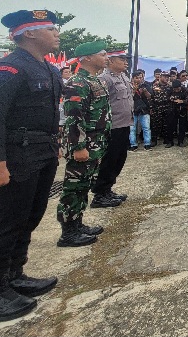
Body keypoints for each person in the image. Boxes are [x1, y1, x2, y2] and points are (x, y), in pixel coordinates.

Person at [0, 10, 62, 321]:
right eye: (50, 29)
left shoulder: (47, 69)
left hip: (41, 152)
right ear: (30, 33)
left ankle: (14, 275)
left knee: (29, 217)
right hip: (14, 157)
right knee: (6, 224)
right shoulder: (7, 69)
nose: (56, 33)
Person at [57, 41, 111, 247]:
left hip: (95, 143)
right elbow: (74, 118)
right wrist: (79, 147)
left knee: (84, 185)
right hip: (83, 144)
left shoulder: (95, 81)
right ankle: (68, 231)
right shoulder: (77, 83)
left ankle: (78, 223)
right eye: (102, 54)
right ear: (87, 58)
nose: (106, 58)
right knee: (74, 187)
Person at [91, 50, 132, 208]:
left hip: (124, 123)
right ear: (111, 61)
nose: (125, 62)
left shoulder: (123, 76)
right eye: (121, 59)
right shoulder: (104, 79)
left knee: (119, 158)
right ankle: (100, 194)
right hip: (112, 126)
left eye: (125, 59)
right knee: (109, 159)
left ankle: (107, 189)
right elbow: (99, 104)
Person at [129, 71, 152, 151]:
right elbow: (127, 98)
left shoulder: (146, 85)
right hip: (132, 110)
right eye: (137, 78)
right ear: (133, 78)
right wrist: (134, 91)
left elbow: (150, 97)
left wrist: (145, 91)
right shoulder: (129, 86)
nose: (139, 79)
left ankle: (147, 144)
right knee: (132, 128)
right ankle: (133, 144)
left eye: (140, 77)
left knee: (146, 127)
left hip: (144, 109)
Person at [149, 72, 171, 146]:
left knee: (166, 125)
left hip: (166, 107)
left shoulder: (169, 86)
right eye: (165, 77)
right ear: (160, 77)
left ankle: (167, 140)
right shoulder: (154, 86)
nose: (166, 78)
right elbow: (151, 98)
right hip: (157, 108)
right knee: (155, 125)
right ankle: (154, 140)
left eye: (167, 77)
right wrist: (151, 108)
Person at [167, 79, 188, 147]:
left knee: (182, 126)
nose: (176, 90)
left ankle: (181, 141)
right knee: (170, 125)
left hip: (182, 109)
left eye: (178, 89)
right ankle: (170, 142)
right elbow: (166, 98)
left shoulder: (185, 90)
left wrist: (181, 101)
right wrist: (171, 99)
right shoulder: (170, 90)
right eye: (175, 89)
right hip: (172, 109)